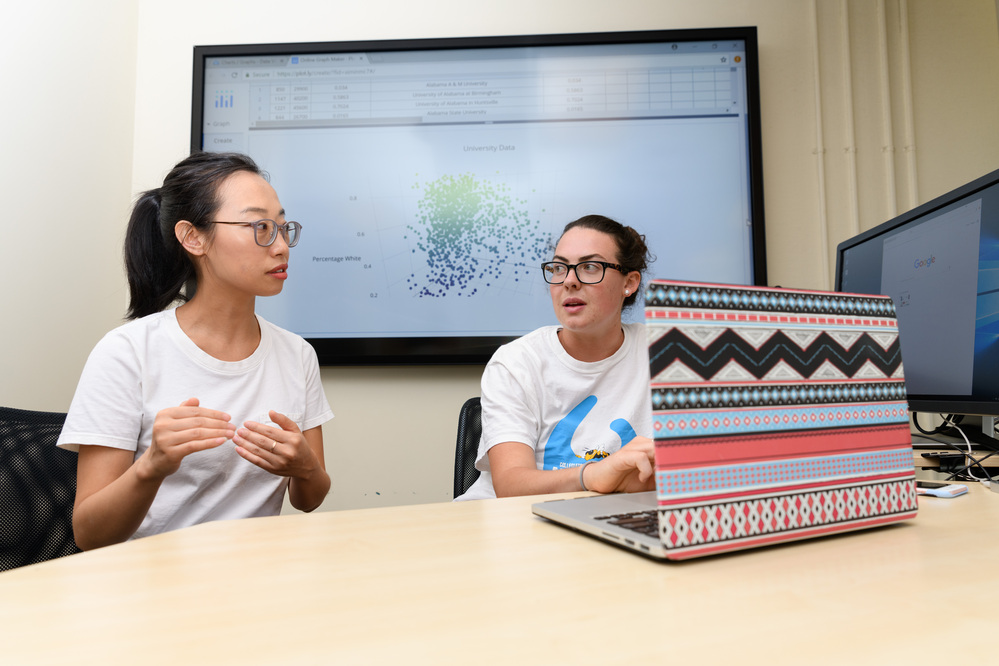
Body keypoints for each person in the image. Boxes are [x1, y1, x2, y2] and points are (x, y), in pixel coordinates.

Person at [57, 152, 333, 550]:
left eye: (283, 226)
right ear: (193, 237)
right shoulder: (128, 352)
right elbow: (89, 534)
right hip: (149, 586)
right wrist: (151, 466)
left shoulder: (297, 354)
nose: (282, 246)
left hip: (256, 581)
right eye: (260, 227)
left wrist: (305, 468)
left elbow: (309, 499)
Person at [456, 214, 655, 500]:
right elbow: (511, 486)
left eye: (589, 267)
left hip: (614, 517)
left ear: (630, 282)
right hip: (512, 523)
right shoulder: (515, 362)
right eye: (560, 268)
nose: (569, 281)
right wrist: (596, 475)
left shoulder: (663, 354)